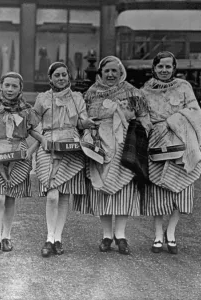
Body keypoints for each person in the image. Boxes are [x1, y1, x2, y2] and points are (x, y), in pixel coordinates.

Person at [74, 56, 151, 255]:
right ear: (100, 73)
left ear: (121, 72)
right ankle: (107, 235)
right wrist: (87, 126)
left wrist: (138, 131)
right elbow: (81, 118)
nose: (110, 74)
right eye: (106, 71)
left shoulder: (133, 92)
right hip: (99, 146)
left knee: (124, 188)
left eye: (114, 71)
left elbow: (144, 117)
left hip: (125, 144)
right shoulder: (90, 93)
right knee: (102, 187)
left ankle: (121, 235)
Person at [141, 51, 201, 254]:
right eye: (160, 66)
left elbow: (195, 111)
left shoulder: (184, 87)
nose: (164, 70)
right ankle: (158, 235)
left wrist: (175, 120)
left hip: (181, 140)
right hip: (157, 142)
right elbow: (142, 116)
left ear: (174, 68)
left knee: (182, 189)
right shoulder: (145, 90)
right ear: (154, 68)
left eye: (168, 66)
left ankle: (171, 233)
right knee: (158, 189)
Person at [33, 62, 94, 257]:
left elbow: (81, 121)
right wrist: (42, 139)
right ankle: (49, 237)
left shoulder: (77, 98)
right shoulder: (42, 99)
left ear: (69, 77)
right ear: (50, 78)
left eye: (64, 75)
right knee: (52, 194)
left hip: (71, 145)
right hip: (49, 145)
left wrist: (89, 123)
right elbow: (31, 125)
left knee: (64, 195)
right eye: (57, 75)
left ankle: (57, 238)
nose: (61, 78)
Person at [0, 72, 41, 256]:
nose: (10, 89)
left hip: (18, 154)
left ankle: (7, 235)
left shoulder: (27, 110)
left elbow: (39, 135)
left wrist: (29, 153)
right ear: (1, 86)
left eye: (14, 86)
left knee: (10, 197)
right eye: (7, 85)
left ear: (20, 88)